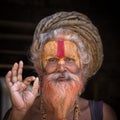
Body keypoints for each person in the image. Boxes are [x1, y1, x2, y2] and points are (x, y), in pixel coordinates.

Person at [3, 11, 117, 120]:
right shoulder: (18, 114)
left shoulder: (102, 114)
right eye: (52, 60)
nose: (61, 68)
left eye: (69, 59)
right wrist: (19, 113)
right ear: (40, 67)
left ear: (82, 67)